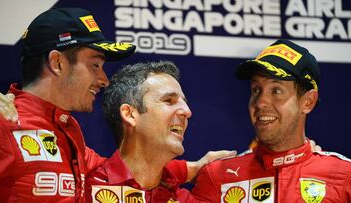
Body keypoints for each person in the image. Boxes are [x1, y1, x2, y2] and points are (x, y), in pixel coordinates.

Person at [0, 7, 136, 202]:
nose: (104, 80)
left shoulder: (68, 129)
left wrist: (188, 169)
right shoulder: (0, 123)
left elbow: (120, 174)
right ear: (57, 62)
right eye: (95, 65)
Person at [191, 39, 351, 202]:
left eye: (276, 90)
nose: (260, 102)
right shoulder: (218, 177)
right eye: (256, 90)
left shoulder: (344, 177)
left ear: (307, 101)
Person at [86, 60, 226, 202]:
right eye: (169, 101)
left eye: (184, 102)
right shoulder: (85, 189)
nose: (187, 111)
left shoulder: (184, 199)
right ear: (129, 114)